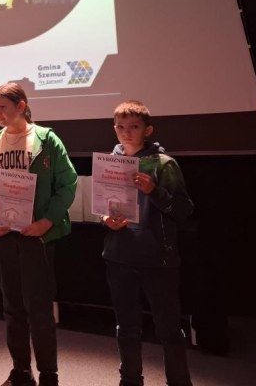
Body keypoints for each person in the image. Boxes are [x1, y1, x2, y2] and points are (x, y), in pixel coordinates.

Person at [0, 82, 77, 386]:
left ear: (21, 106)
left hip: (36, 237)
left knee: (40, 310)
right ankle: (21, 371)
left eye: (3, 107)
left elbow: (68, 184)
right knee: (12, 308)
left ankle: (48, 374)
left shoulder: (46, 139)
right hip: (3, 236)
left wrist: (47, 222)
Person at [101, 101, 194, 386]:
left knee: (168, 329)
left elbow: (183, 210)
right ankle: (130, 380)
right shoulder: (110, 162)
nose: (126, 132)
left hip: (157, 259)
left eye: (134, 126)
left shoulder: (163, 164)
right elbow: (103, 206)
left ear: (147, 130)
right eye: (120, 127)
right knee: (126, 327)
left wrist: (154, 191)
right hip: (119, 256)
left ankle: (179, 382)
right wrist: (105, 218)